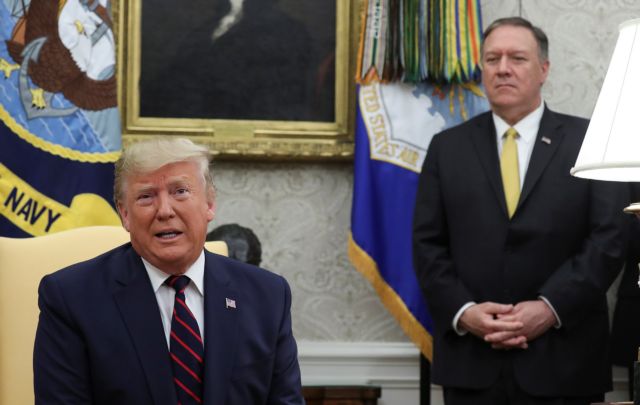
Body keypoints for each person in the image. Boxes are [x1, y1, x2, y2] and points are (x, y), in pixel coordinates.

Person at [413, 17, 628, 405]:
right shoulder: (447, 148)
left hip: (565, 360)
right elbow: (427, 244)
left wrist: (550, 307)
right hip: (472, 363)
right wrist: (465, 312)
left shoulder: (590, 142)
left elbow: (610, 238)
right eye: (492, 59)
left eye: (517, 58)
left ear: (543, 69)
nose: (503, 68)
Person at [33, 138, 304, 404]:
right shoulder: (71, 299)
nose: (164, 211)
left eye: (180, 191)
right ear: (125, 214)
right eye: (146, 196)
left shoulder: (268, 295)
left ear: (209, 204)